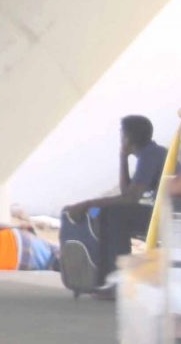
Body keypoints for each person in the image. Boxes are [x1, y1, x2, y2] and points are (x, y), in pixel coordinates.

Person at [61, 113, 170, 290]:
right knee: (109, 213)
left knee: (115, 215)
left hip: (171, 218)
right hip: (165, 214)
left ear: (128, 137)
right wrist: (123, 157)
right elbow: (126, 193)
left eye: (122, 133)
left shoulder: (150, 155)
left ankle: (117, 281)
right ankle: (109, 279)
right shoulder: (151, 153)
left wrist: (87, 204)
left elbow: (130, 198)